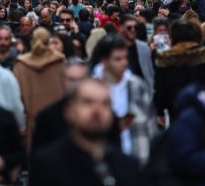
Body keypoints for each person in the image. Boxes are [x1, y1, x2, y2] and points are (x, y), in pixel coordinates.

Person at [30, 79, 141, 186]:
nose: (97, 110)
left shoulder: (127, 167)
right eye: (87, 102)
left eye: (105, 103)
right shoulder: (47, 166)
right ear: (69, 111)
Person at [94, 34, 155, 164]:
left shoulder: (136, 85)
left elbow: (150, 124)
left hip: (136, 155)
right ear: (104, 61)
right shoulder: (92, 88)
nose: (124, 63)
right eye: (117, 59)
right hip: (102, 159)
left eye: (125, 58)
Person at [13, 27, 65, 150]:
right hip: (57, 122)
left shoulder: (21, 64)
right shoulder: (60, 61)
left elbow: (17, 98)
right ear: (48, 42)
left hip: (30, 123)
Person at [154, 19, 205, 122]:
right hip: (200, 107)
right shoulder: (203, 55)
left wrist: (160, 111)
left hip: (174, 108)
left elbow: (160, 88)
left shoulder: (165, 58)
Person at [33, 58, 89, 151]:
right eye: (72, 80)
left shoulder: (101, 114)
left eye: (81, 80)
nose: (77, 85)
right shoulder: (46, 117)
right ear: (62, 81)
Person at [118, 15, 155, 92]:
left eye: (136, 27)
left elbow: (149, 71)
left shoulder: (144, 48)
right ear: (121, 29)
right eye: (129, 28)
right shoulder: (114, 48)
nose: (133, 30)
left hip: (143, 93)